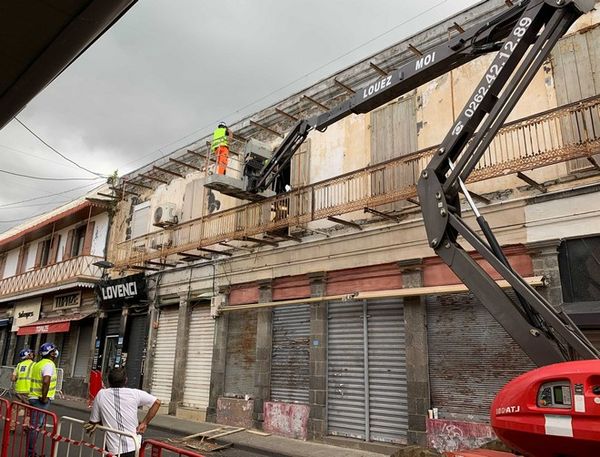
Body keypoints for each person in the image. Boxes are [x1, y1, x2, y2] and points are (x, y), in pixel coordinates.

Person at [87, 366, 161, 457]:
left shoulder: (101, 394)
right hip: (134, 445)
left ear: (108, 381)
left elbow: (93, 421)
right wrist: (144, 423)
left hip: (113, 449)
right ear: (126, 380)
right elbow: (157, 402)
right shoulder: (134, 394)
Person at [27, 342, 59, 456]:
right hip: (40, 401)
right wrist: (44, 398)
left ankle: (31, 452)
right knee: (35, 427)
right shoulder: (49, 364)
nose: (56, 353)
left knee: (34, 426)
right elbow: (46, 381)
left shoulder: (38, 363)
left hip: (33, 397)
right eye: (54, 351)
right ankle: (30, 453)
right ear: (50, 353)